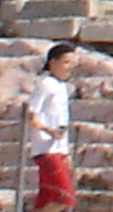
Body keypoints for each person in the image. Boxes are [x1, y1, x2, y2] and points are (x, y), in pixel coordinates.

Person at [24, 42, 79, 211]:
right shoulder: (45, 84)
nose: (69, 68)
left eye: (71, 63)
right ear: (52, 63)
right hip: (46, 149)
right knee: (65, 197)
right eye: (65, 62)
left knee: (46, 198)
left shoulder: (61, 87)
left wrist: (65, 152)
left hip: (58, 149)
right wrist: (49, 131)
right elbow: (31, 114)